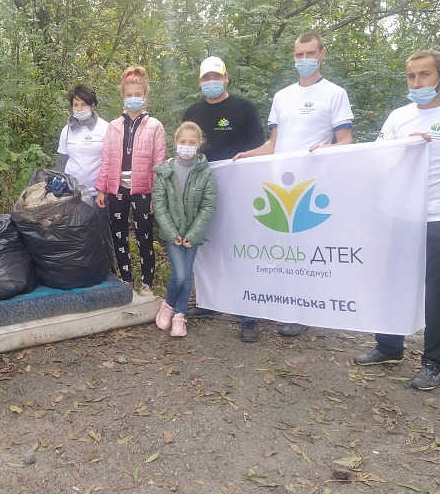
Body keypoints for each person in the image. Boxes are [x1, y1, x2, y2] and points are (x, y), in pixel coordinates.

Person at [353, 49, 440, 391]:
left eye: (424, 75)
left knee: (433, 294)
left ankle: (434, 364)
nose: (416, 82)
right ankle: (389, 346)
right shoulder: (399, 117)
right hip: (400, 218)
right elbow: (378, 161)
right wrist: (403, 145)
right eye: (411, 76)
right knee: (392, 284)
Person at [233, 31, 354, 337]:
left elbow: (346, 142)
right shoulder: (282, 97)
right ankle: (278, 304)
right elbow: (273, 144)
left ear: (322, 55)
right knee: (280, 251)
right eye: (298, 55)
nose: (303, 60)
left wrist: (328, 151)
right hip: (279, 187)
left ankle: (303, 311)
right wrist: (248, 154)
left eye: (309, 54)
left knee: (306, 253)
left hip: (314, 187)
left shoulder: (335, 94)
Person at [183, 56, 265, 342]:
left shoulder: (244, 108)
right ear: (200, 81)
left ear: (226, 78)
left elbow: (261, 149)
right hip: (202, 191)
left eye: (216, 77)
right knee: (207, 249)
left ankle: (248, 313)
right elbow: (186, 150)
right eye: (206, 78)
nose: (211, 82)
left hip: (240, 190)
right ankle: (210, 303)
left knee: (242, 247)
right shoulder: (192, 112)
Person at [95, 66, 166, 295]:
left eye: (138, 95)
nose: (133, 98)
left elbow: (160, 163)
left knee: (144, 235)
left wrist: (157, 194)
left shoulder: (155, 126)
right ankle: (126, 279)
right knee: (119, 235)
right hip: (117, 189)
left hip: (143, 190)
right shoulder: (113, 126)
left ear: (145, 96)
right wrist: (102, 190)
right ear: (123, 96)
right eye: (129, 95)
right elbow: (106, 160)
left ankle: (147, 282)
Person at [152, 121, 217, 337]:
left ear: (199, 144)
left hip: (193, 235)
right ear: (175, 142)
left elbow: (208, 205)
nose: (187, 146)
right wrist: (172, 233)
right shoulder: (165, 171)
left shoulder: (205, 173)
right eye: (183, 141)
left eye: (192, 142)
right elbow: (159, 206)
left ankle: (179, 315)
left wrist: (193, 234)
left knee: (187, 274)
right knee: (180, 275)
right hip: (172, 234)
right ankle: (169, 304)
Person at [55, 85, 109, 198]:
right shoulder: (67, 130)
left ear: (92, 106)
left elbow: (110, 163)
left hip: (97, 194)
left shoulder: (105, 128)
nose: (79, 109)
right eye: (76, 105)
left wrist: (103, 191)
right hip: (72, 193)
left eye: (83, 104)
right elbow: (62, 161)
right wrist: (60, 186)